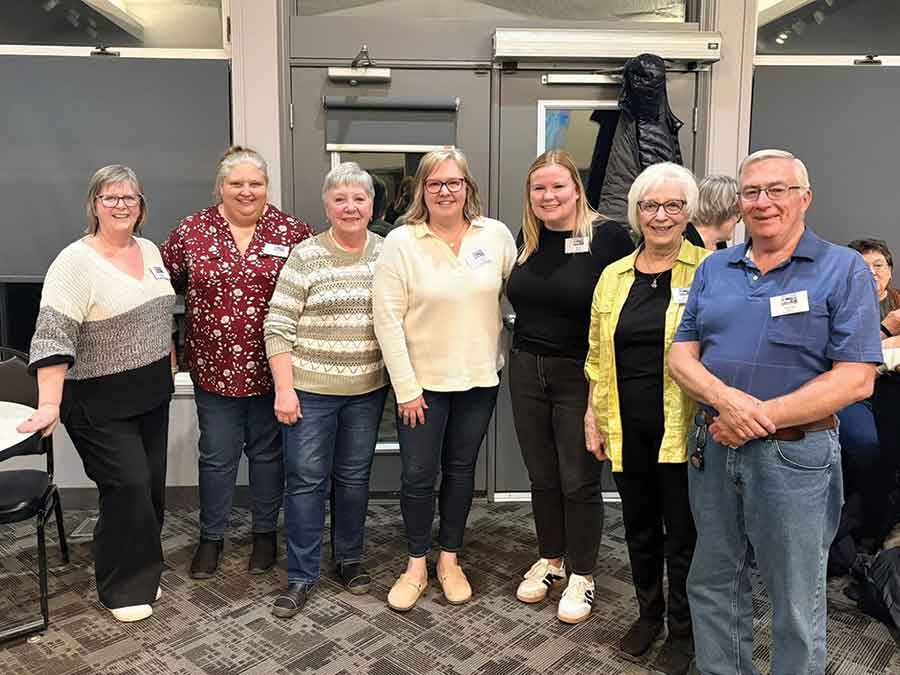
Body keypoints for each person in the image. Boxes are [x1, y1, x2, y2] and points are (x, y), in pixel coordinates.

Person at [669, 149, 882, 675]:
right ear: (738, 203)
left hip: (796, 457)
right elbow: (680, 356)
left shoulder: (842, 268)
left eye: (778, 189)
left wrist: (756, 416)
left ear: (804, 198)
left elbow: (855, 378)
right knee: (714, 581)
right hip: (714, 447)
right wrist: (729, 404)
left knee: (795, 594)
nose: (764, 202)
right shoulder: (716, 267)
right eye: (752, 192)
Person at [18, 165, 175, 622]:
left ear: (141, 206)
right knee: (126, 487)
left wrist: (167, 360)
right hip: (97, 402)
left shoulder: (149, 250)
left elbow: (158, 315)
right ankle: (122, 587)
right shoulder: (74, 263)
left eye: (130, 197)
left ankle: (144, 568)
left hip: (150, 396)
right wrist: (49, 403)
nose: (122, 204)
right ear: (94, 206)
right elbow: (52, 336)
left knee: (150, 490)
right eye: (111, 197)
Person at [373, 148, 517, 611]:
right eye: (434, 184)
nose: (444, 191)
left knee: (460, 473)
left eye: (453, 182)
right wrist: (406, 388)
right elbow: (387, 320)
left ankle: (449, 560)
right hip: (422, 387)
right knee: (417, 475)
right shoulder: (402, 241)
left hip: (479, 380)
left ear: (467, 187)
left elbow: (520, 294)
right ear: (421, 191)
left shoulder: (494, 236)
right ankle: (416, 563)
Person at [161, 146, 313, 579]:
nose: (246, 191)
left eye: (255, 183)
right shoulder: (192, 231)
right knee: (216, 457)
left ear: (267, 186)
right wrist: (164, 347)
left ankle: (265, 534)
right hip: (213, 370)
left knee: (267, 457)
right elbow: (159, 288)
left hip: (274, 371)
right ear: (221, 187)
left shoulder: (293, 231)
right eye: (236, 183)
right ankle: (212, 536)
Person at [584, 162, 707, 675]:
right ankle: (648, 614)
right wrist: (593, 416)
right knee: (637, 527)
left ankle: (684, 631)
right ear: (636, 213)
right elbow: (594, 353)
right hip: (626, 426)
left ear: (688, 213)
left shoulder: (708, 272)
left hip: (684, 427)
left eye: (673, 205)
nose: (661, 216)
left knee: (683, 533)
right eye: (650, 206)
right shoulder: (612, 276)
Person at [506, 150, 634, 624]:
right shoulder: (530, 237)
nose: (548, 195)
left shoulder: (610, 238)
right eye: (539, 188)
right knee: (541, 474)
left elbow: (624, 306)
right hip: (526, 368)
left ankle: (583, 572)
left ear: (577, 189)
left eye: (558, 186)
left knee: (578, 477)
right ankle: (552, 559)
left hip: (580, 372)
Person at [264, 163, 389, 618]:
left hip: (367, 390)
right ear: (327, 206)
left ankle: (349, 560)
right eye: (341, 199)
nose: (351, 207)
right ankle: (301, 575)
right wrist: (284, 388)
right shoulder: (305, 255)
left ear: (372, 205)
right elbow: (277, 325)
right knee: (306, 483)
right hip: (310, 391)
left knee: (354, 480)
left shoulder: (389, 252)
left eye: (359, 198)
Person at [683, 175, 740, 251]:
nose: (737, 221)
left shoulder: (720, 244)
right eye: (736, 214)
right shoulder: (684, 242)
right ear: (722, 211)